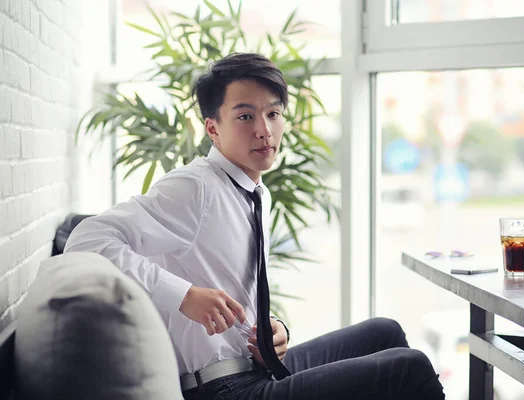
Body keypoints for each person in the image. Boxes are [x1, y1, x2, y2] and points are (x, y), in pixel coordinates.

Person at [65, 52, 445, 400]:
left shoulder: (250, 190)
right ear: (212, 129)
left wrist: (271, 329)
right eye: (245, 116)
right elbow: (87, 238)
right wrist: (183, 296)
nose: (264, 130)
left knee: (384, 332)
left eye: (273, 114)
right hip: (223, 389)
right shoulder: (196, 186)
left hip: (253, 369)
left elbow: (237, 290)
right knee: (409, 368)